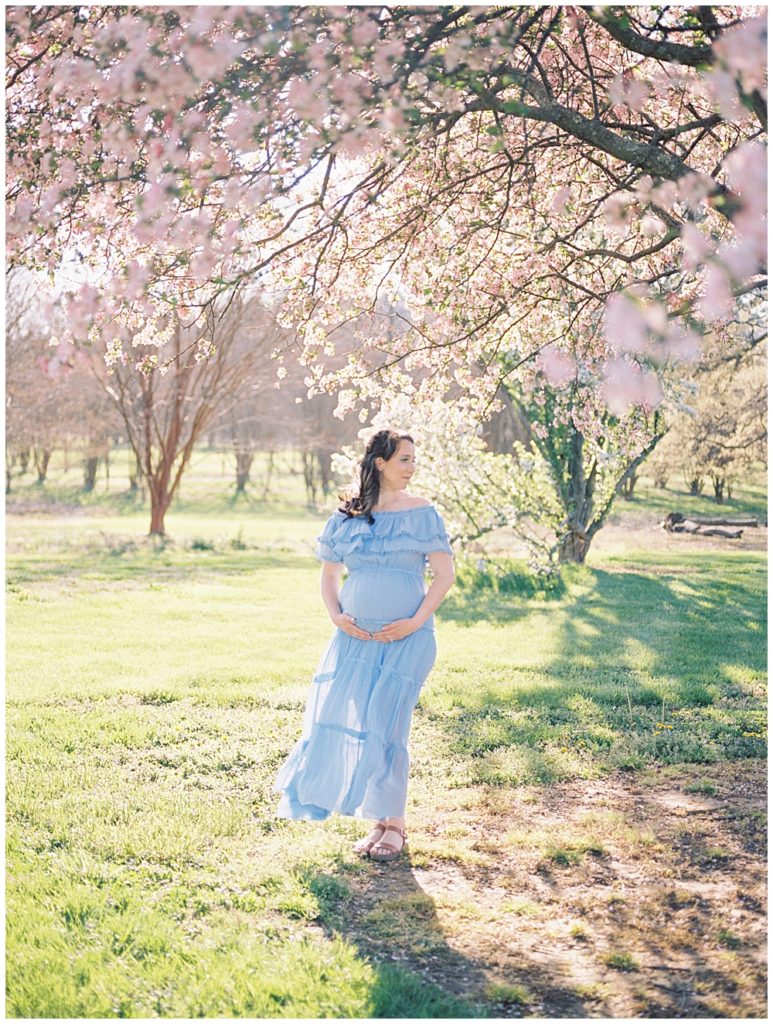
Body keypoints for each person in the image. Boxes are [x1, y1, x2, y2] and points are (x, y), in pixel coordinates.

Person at [273, 429, 455, 861]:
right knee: (365, 726)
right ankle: (379, 820)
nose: (412, 468)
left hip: (407, 639)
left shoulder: (423, 512)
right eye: (405, 460)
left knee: (389, 727)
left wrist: (413, 621)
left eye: (413, 459)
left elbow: (444, 576)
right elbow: (330, 577)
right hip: (355, 640)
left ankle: (396, 827)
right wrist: (338, 617)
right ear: (380, 463)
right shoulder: (347, 516)